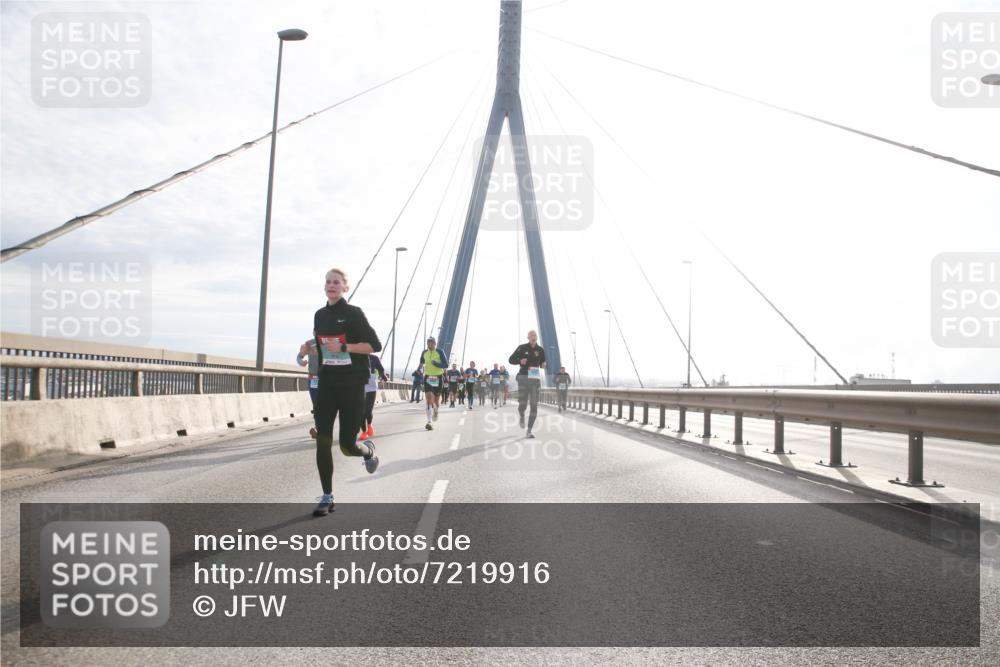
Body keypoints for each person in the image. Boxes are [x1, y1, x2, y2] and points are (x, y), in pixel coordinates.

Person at [311, 268, 381, 517]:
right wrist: (307, 350)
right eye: (328, 282)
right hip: (328, 384)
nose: (331, 285)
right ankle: (327, 496)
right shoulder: (319, 315)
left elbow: (374, 345)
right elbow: (322, 347)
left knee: (347, 446)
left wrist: (344, 347)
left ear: (345, 288)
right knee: (323, 440)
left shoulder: (354, 313)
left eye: (336, 282)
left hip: (352, 385)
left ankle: (367, 451)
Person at [509, 330, 546, 438]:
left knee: (534, 406)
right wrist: (520, 361)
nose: (533, 337)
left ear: (537, 337)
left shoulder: (540, 350)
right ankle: (521, 415)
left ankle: (529, 431)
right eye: (531, 335)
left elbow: (542, 363)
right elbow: (511, 360)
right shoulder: (522, 348)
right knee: (523, 404)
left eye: (535, 335)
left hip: (535, 380)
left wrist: (543, 365)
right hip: (523, 379)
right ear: (528, 337)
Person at [418, 336, 448, 430]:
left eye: (431, 342)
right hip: (428, 377)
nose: (429, 344)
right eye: (428, 342)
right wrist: (419, 369)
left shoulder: (440, 351)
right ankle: (429, 421)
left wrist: (437, 364)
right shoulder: (424, 352)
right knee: (428, 399)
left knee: (436, 401)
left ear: (435, 343)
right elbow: (421, 363)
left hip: (438, 377)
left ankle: (436, 411)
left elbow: (446, 364)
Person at [296, 338, 319, 438]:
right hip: (314, 379)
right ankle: (318, 427)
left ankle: (322, 428)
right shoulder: (309, 343)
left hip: (327, 379)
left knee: (326, 404)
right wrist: (301, 361)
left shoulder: (330, 340)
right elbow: (299, 356)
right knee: (316, 404)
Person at [359, 354, 386, 440]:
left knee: (368, 411)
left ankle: (369, 424)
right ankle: (364, 432)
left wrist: (382, 377)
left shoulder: (374, 358)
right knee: (361, 412)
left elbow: (381, 369)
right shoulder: (355, 356)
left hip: (371, 388)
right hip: (359, 388)